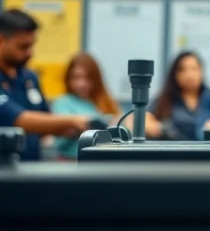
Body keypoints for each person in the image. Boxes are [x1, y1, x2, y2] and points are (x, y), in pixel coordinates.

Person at [0, 9, 93, 160]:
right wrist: (73, 120)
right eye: (23, 47)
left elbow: (45, 120)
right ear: (1, 40)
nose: (30, 53)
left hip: (30, 170)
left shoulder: (29, 78)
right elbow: (18, 119)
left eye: (32, 45)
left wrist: (73, 129)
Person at [50, 53, 133, 159]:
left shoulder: (106, 102)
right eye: (76, 77)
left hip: (103, 163)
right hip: (72, 163)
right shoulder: (63, 102)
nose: (82, 83)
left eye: (88, 78)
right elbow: (60, 141)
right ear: (68, 78)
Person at [149, 51, 207, 141]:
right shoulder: (164, 100)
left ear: (201, 71)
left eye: (194, 69)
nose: (189, 74)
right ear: (174, 74)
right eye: (182, 70)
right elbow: (143, 120)